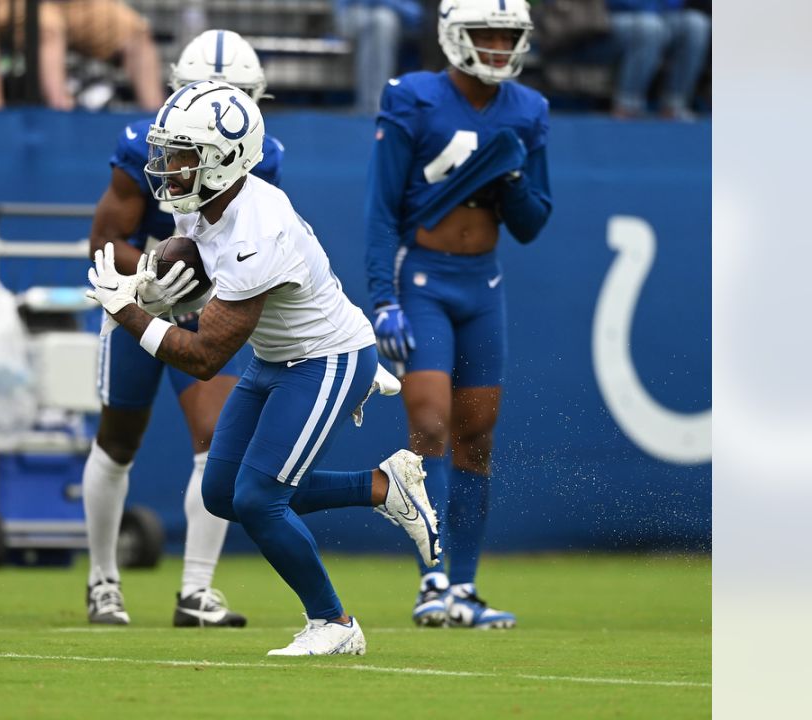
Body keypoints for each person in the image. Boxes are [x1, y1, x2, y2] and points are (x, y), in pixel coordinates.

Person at [87, 79, 442, 655]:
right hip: (279, 356)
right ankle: (384, 487)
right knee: (224, 492)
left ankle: (335, 623)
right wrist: (148, 291)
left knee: (259, 499)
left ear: (224, 160)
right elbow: (200, 289)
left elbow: (204, 358)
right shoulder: (205, 206)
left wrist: (127, 309)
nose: (169, 167)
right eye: (169, 152)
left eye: (184, 155)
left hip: (324, 358)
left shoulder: (256, 226)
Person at [83, 30, 284, 628]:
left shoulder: (264, 157)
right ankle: (102, 582)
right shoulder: (141, 146)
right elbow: (102, 242)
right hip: (139, 296)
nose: (221, 115)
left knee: (215, 438)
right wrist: (149, 276)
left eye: (236, 98)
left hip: (204, 304)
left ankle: (196, 590)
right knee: (118, 439)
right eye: (206, 95)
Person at [363, 0, 552, 629]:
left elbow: (530, 224)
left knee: (477, 436)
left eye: (508, 34)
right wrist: (382, 297)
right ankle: (433, 578)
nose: (498, 45)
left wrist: (516, 179)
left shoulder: (528, 110)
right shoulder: (413, 98)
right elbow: (383, 210)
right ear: (453, 35)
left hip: (484, 281)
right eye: (486, 33)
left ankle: (464, 588)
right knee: (430, 425)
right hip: (423, 278)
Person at [0, 0, 163, 111]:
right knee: (47, 25)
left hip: (71, 5)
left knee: (135, 30)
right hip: (12, 4)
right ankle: (61, 114)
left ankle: (158, 122)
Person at [606, 0, 710, 120]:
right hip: (607, 19)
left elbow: (675, 4)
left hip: (657, 16)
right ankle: (626, 106)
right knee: (650, 28)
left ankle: (673, 106)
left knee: (695, 24)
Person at [335, 0, 423, 115]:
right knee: (379, 22)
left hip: (393, 16)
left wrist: (391, 4)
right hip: (352, 13)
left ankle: (370, 104)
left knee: (383, 20)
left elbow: (415, 13)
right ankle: (375, 103)